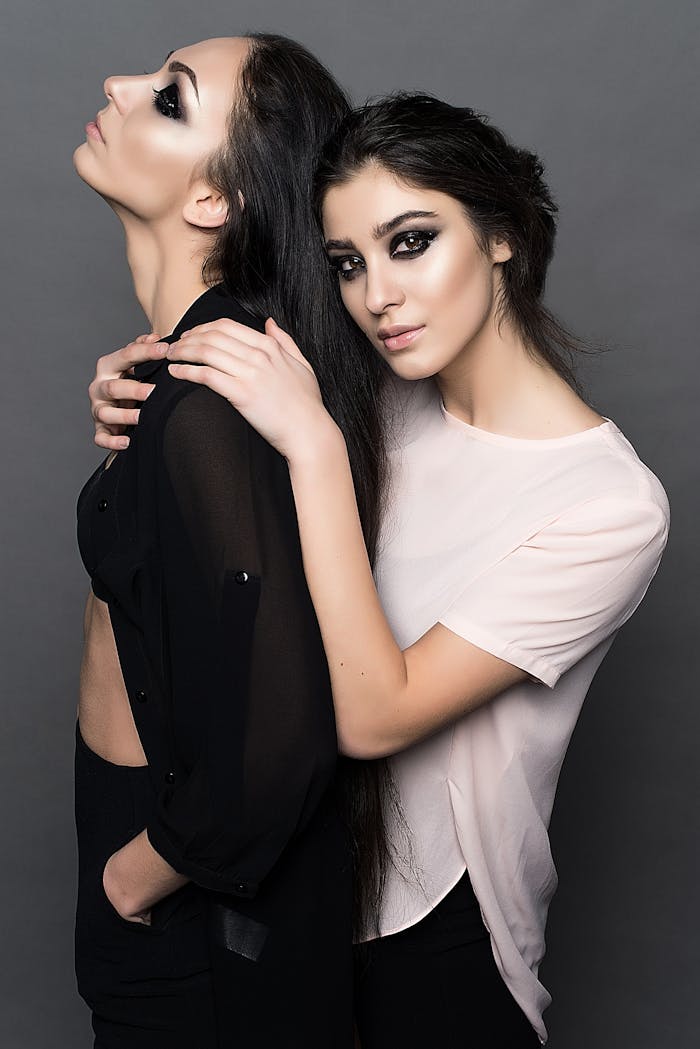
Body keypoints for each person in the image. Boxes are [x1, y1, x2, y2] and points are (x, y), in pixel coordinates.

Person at [89, 95, 669, 1046]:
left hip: (442, 934)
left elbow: (374, 713)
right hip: (287, 894)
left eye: (411, 242)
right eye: (347, 265)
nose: (377, 298)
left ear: (502, 236)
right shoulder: (371, 389)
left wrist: (314, 448)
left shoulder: (607, 506)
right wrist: (138, 389)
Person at [73, 34, 391, 1049]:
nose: (118, 87)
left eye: (168, 98)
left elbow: (289, 724)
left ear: (212, 200)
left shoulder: (219, 401)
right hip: (173, 890)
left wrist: (144, 868)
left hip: (198, 916)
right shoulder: (188, 375)